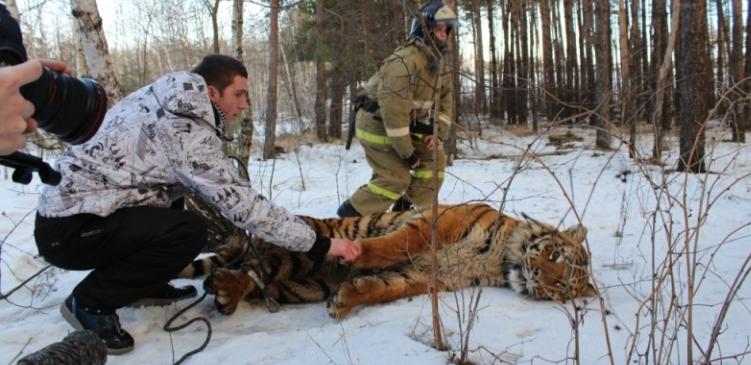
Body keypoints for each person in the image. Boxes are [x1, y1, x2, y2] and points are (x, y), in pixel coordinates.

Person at [33, 54, 361, 355]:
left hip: (86, 216)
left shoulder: (169, 98)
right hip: (70, 231)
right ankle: (89, 304)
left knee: (174, 204)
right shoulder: (185, 129)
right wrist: (322, 244)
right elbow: (245, 207)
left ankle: (139, 284)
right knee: (188, 231)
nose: (244, 105)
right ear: (212, 93)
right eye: (239, 94)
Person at [337, 0, 458, 217]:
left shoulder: (439, 64)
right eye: (438, 29)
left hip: (402, 125)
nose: (443, 35)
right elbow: (393, 112)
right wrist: (408, 153)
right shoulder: (403, 63)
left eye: (445, 30)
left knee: (434, 162)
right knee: (395, 177)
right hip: (376, 123)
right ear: (424, 30)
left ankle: (407, 214)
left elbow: (445, 100)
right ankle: (351, 215)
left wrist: (438, 132)